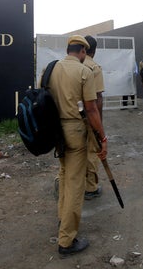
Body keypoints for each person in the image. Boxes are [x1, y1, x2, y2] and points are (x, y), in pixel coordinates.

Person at [48, 35, 108, 257]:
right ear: (83, 51)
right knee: (74, 184)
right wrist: (102, 137)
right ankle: (66, 240)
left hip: (55, 131)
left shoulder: (50, 69)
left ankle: (63, 221)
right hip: (75, 130)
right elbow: (91, 109)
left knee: (64, 175)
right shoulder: (85, 71)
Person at [83, 35, 104, 200]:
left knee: (73, 152)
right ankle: (90, 187)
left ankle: (70, 184)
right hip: (89, 117)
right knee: (92, 150)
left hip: (71, 118)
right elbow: (97, 99)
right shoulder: (94, 67)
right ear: (94, 50)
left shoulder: (69, 65)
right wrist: (99, 127)